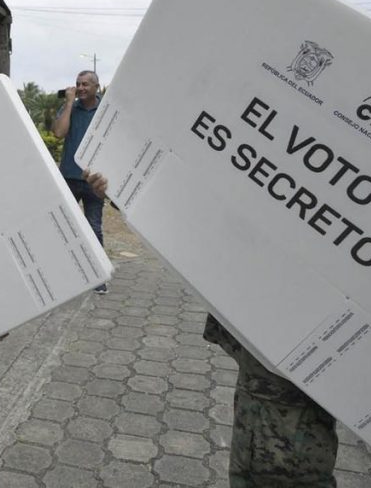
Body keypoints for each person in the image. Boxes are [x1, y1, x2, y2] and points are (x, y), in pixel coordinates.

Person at [82, 170, 338, 488]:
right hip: (266, 356)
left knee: (280, 468)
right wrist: (126, 188)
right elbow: (207, 218)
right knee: (252, 463)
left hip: (302, 348)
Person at [53, 70, 107, 294]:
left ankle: (98, 276)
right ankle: (63, 274)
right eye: (78, 84)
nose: (81, 88)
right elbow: (58, 132)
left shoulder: (105, 108)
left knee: (93, 226)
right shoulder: (70, 108)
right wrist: (68, 104)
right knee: (62, 225)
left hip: (94, 180)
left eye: (85, 84)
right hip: (69, 176)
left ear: (96, 86)